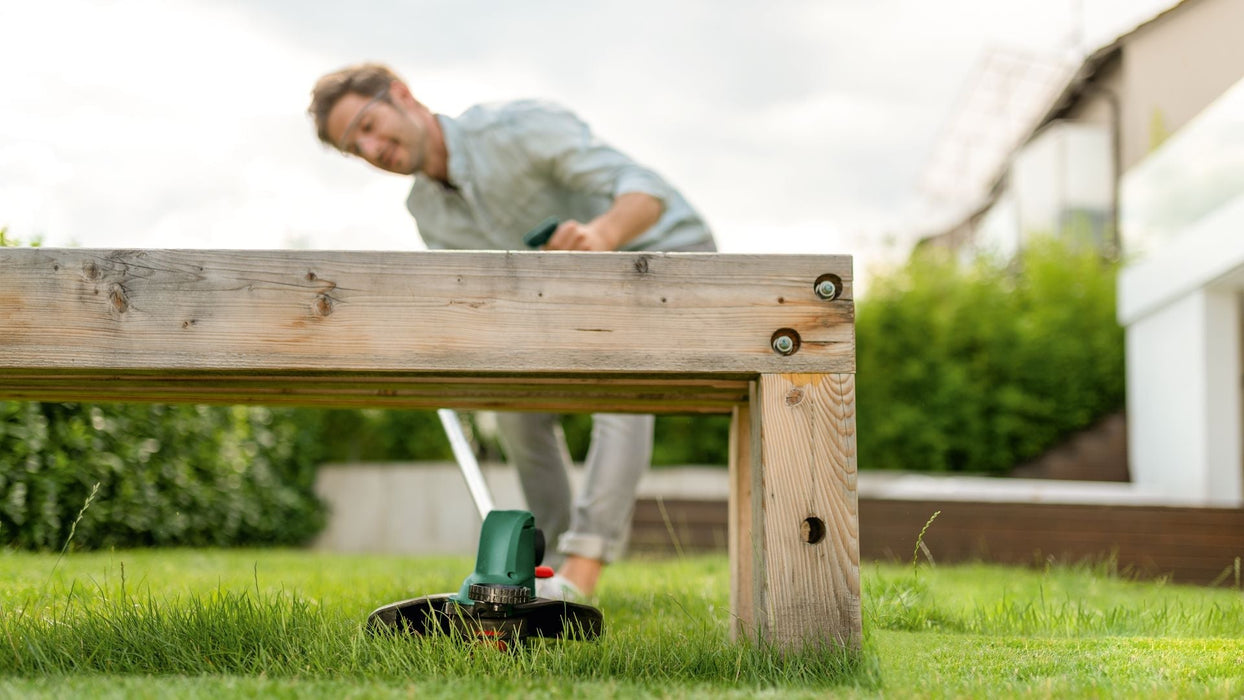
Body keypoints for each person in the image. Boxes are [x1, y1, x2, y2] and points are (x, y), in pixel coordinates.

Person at [308, 63, 716, 599]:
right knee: (513, 402)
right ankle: (546, 573)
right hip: (571, 304)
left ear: (402, 95)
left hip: (673, 265)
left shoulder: (517, 128)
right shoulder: (427, 212)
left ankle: (584, 568)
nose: (370, 148)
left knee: (622, 378)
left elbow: (647, 189)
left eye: (366, 124)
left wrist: (600, 234)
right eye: (353, 147)